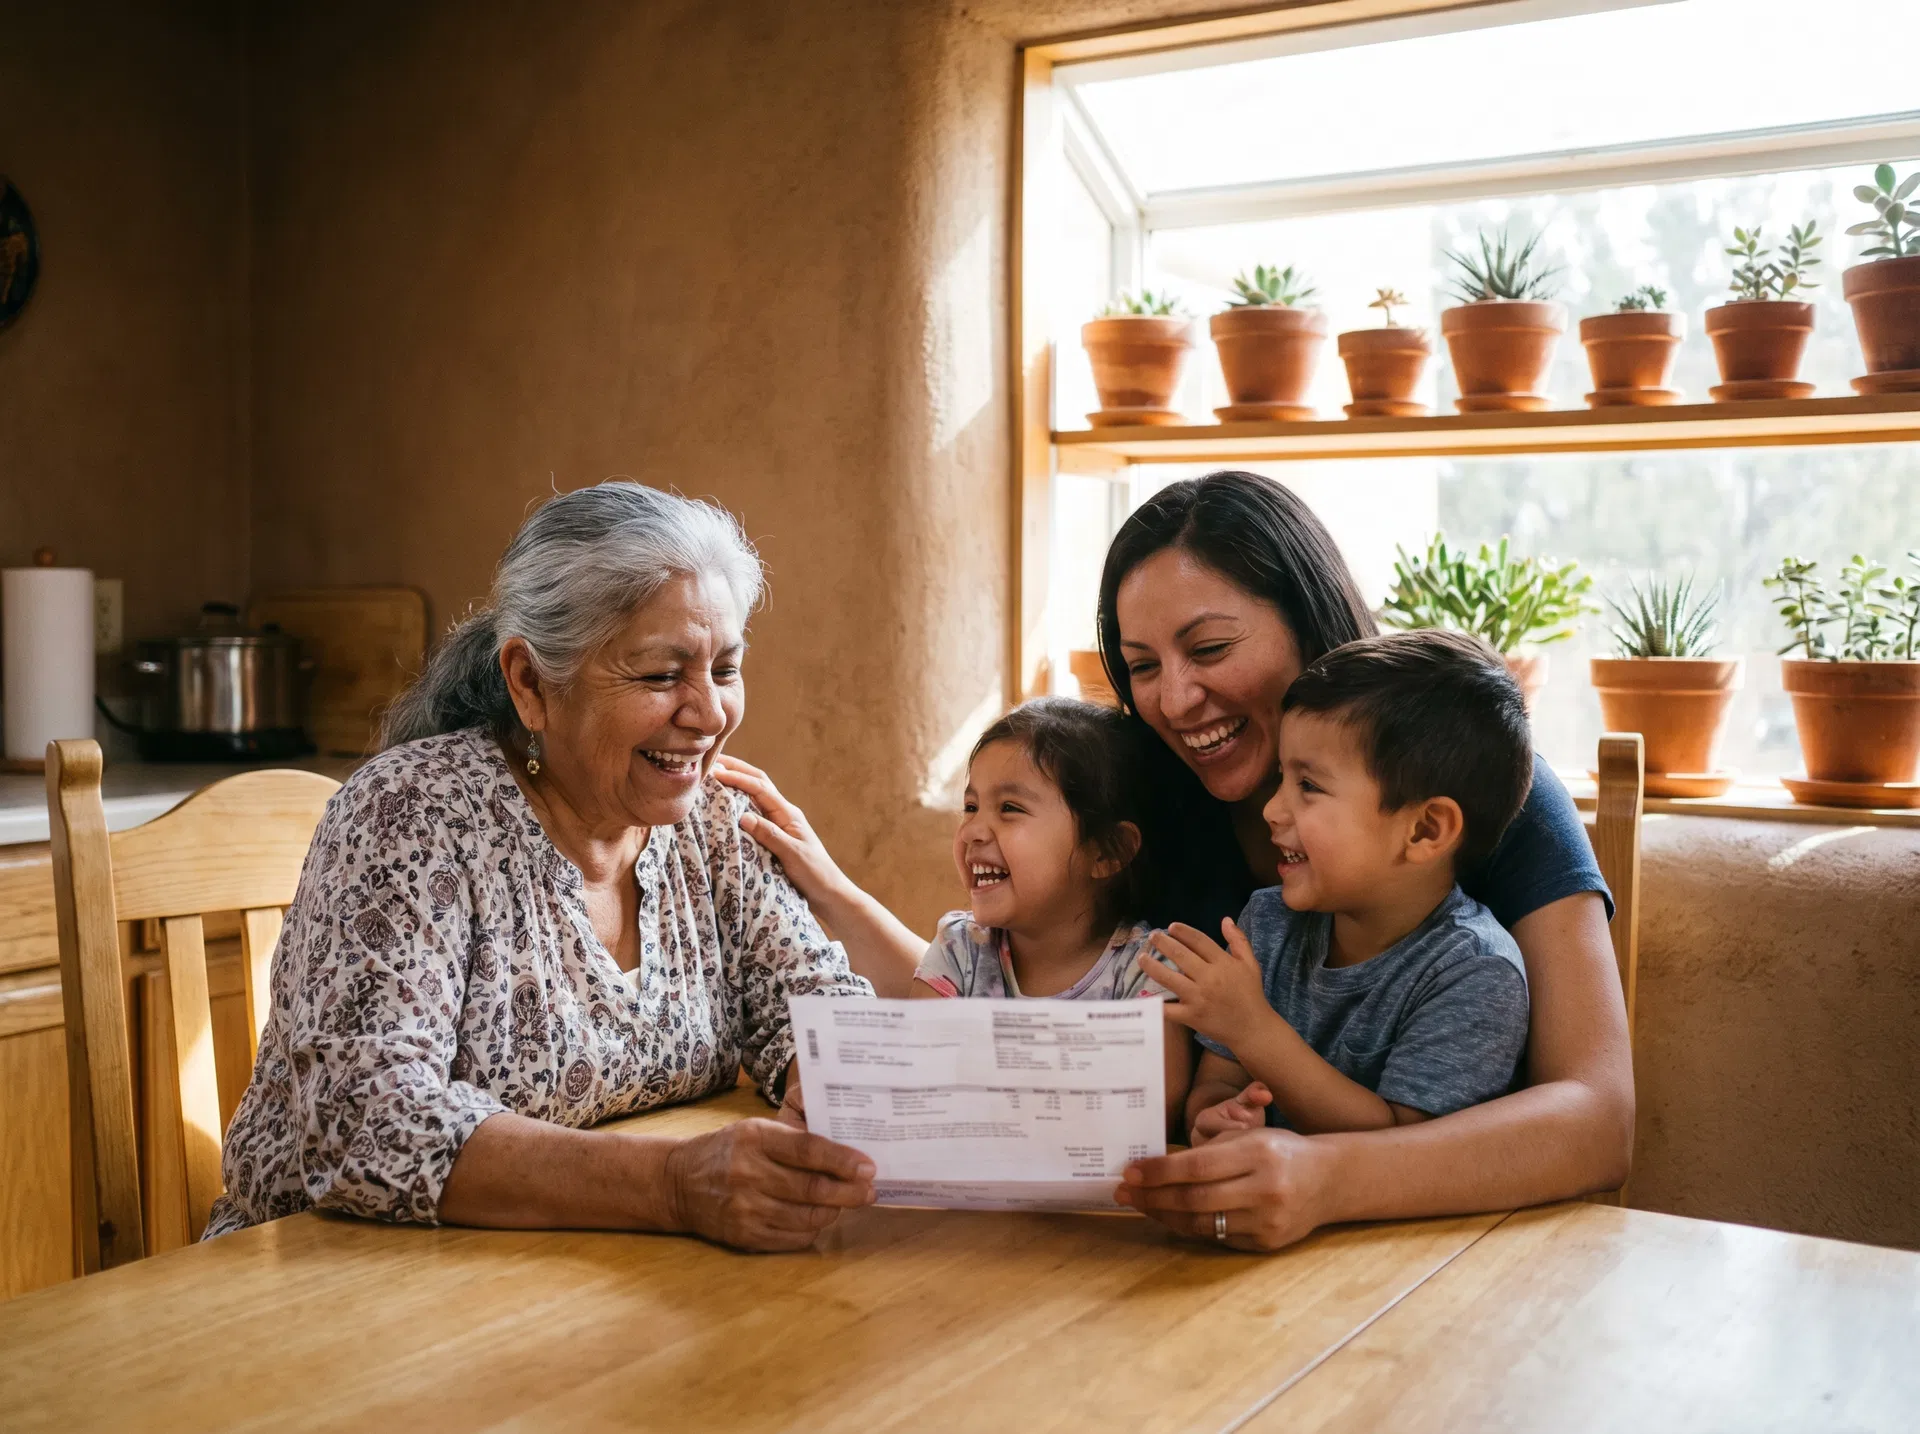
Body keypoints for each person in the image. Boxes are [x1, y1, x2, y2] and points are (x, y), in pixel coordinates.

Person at [727, 470, 1632, 1252]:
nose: (1175, 698)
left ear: (1308, 623)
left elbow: (1597, 1118)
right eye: (1140, 665)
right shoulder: (1152, 801)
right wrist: (865, 1086)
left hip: (1439, 1253)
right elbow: (992, 981)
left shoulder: (1478, 792)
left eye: (1209, 649)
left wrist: (1329, 1180)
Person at [209, 482, 882, 1252]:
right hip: (327, 1288)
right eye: (662, 676)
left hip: (566, 1279)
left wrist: (830, 1082)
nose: (708, 714)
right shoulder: (413, 814)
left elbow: (816, 1012)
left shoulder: (715, 819)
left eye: (725, 670)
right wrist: (672, 1184)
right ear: (530, 683)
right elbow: (370, 1125)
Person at [1140, 630, 1532, 1145]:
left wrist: (1252, 1028)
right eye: (1282, 777)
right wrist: (1217, 1116)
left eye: (1309, 786)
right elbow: (1219, 1083)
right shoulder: (1267, 922)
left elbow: (1400, 1153)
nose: (1272, 810)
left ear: (1424, 830)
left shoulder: (1475, 973)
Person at [908, 698, 1192, 1122]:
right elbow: (913, 1070)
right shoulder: (960, 951)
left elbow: (1157, 1101)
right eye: (970, 807)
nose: (971, 831)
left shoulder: (1148, 969)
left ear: (1105, 852)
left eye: (1009, 809)